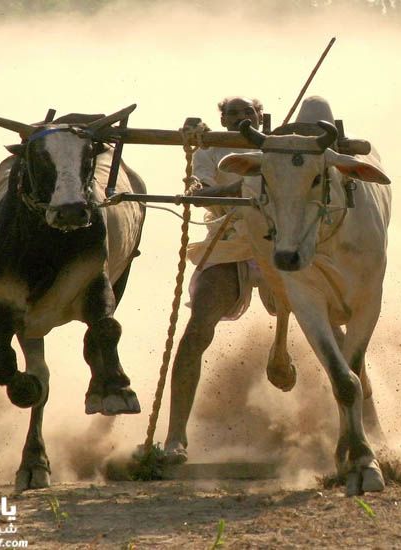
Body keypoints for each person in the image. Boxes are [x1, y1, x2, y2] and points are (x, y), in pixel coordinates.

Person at [164, 96, 277, 463]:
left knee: (315, 321)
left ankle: (353, 427)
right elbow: (199, 191)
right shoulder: (209, 149)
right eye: (233, 114)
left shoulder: (282, 146)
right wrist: (219, 191)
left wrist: (228, 193)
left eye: (249, 113)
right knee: (197, 330)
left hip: (279, 243)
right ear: (223, 120)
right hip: (228, 242)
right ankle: (175, 438)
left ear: (261, 118)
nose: (242, 119)